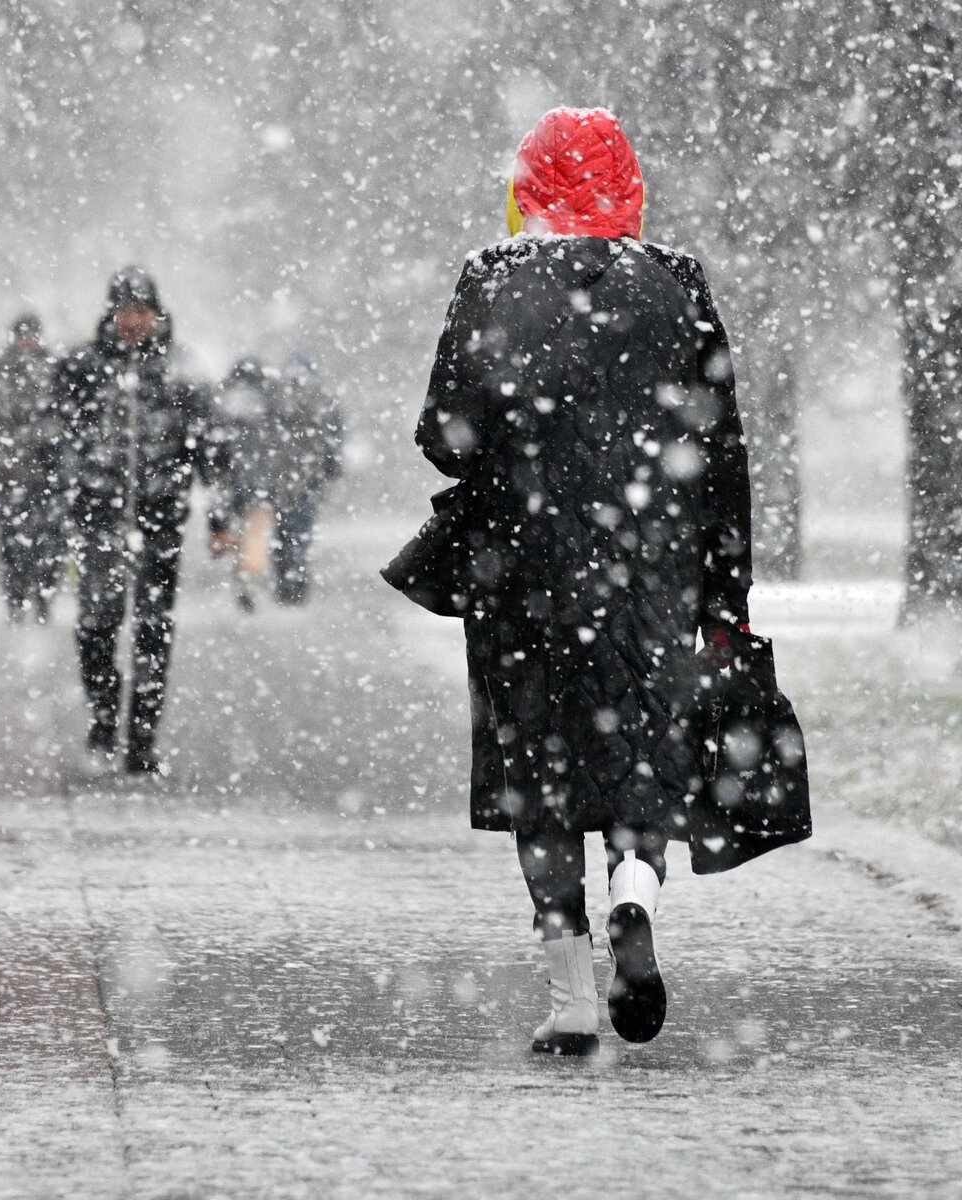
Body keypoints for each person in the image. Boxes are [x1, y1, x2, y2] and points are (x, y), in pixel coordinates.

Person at [401, 107, 751, 1054]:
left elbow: (443, 432)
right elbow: (719, 451)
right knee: (640, 747)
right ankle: (634, 895)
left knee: (540, 774)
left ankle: (570, 999)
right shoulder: (675, 281)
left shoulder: (491, 279)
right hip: (652, 563)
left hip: (522, 566)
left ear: (530, 188)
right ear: (627, 185)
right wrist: (726, 589)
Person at [55, 267, 212, 775]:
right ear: (111, 312)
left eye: (140, 311)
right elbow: (55, 438)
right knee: (96, 628)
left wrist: (221, 518)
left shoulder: (180, 372)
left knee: (152, 632)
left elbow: (209, 447)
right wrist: (64, 496)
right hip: (97, 522)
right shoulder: (81, 368)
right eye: (124, 310)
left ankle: (142, 740)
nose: (132, 321)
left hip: (159, 525)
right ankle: (103, 721)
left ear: (156, 314)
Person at [0, 313, 65, 621]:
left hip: (46, 469)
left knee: (49, 538)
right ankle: (16, 597)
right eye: (22, 335)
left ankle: (44, 594)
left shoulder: (55, 370)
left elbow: (70, 415)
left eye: (31, 334)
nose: (27, 341)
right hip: (9, 469)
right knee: (12, 539)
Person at [268, 354, 344, 605]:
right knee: (300, 529)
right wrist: (332, 465)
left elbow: (265, 436)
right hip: (309, 474)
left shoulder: (276, 398)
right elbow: (334, 437)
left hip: (282, 475)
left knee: (284, 531)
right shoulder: (323, 399)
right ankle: (296, 584)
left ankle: (286, 583)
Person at [207, 356, 281, 613]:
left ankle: (242, 577)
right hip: (261, 484)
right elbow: (276, 447)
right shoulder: (268, 406)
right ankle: (250, 576)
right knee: (255, 534)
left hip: (231, 483)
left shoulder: (222, 406)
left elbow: (214, 448)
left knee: (236, 534)